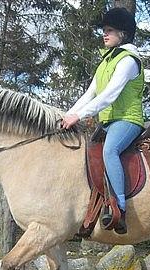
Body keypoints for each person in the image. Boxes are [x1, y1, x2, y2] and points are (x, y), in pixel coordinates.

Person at [61, 7, 144, 235]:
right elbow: (90, 94)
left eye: (109, 30)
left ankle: (119, 208)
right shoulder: (106, 61)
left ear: (123, 33)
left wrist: (80, 116)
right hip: (108, 123)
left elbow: (109, 95)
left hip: (128, 120)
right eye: (104, 30)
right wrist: (67, 115)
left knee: (110, 151)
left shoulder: (129, 61)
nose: (104, 34)